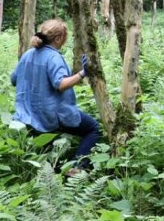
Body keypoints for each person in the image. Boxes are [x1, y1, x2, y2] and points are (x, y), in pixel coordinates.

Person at [11, 19, 102, 175]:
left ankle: (54, 176)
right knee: (93, 129)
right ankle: (76, 169)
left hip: (29, 115)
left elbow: (14, 79)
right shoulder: (53, 57)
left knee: (48, 152)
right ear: (59, 38)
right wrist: (82, 73)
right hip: (52, 115)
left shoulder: (28, 54)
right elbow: (60, 84)